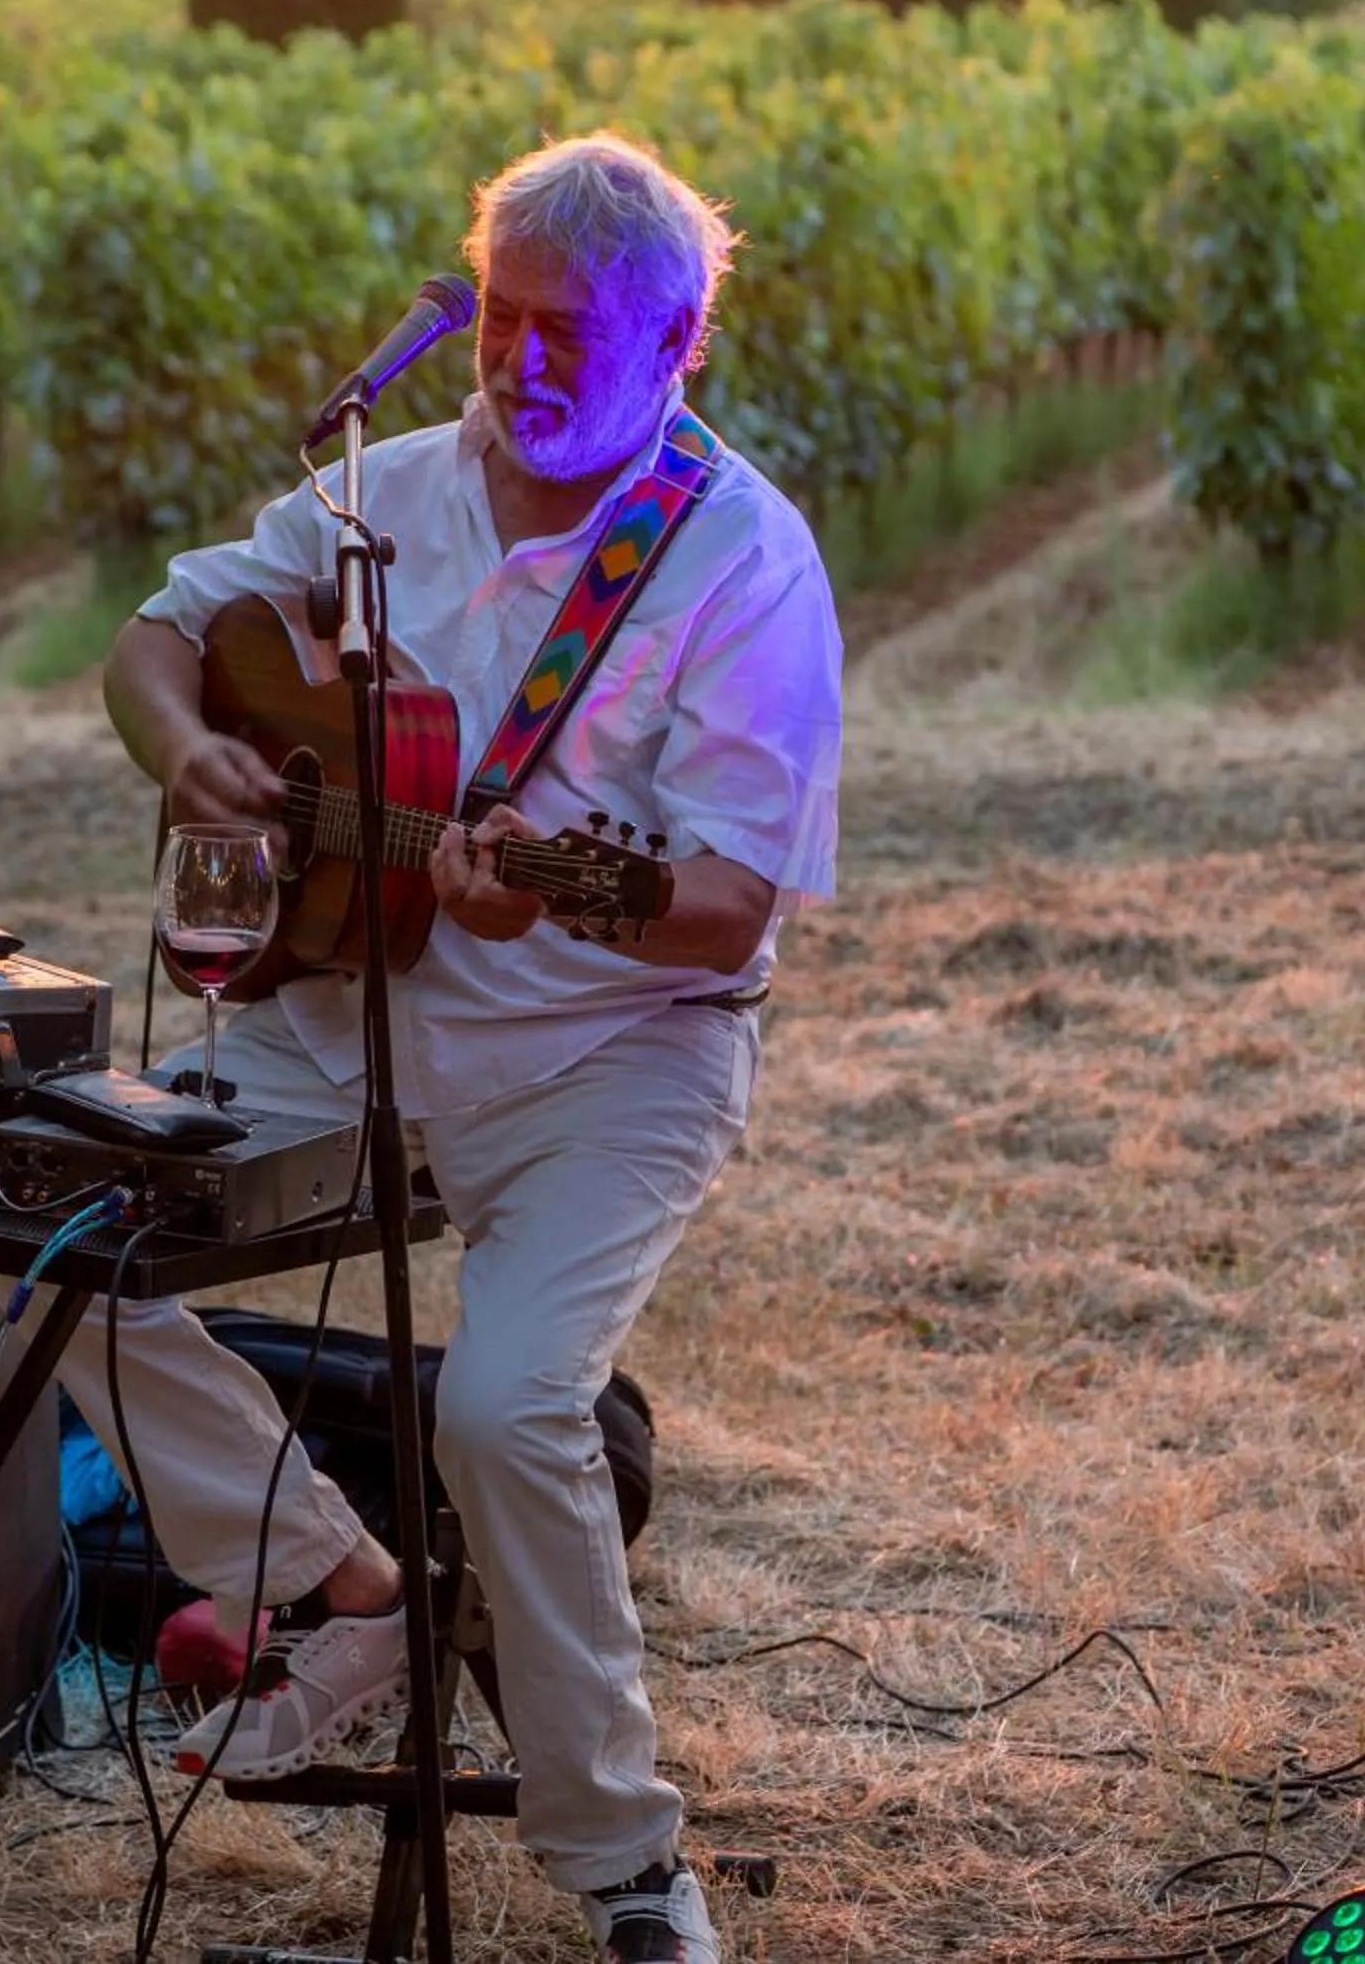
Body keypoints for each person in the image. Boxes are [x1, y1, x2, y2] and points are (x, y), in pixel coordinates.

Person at [61, 128, 843, 1964]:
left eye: (574, 332)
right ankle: (341, 1586)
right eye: (503, 315)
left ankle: (627, 1863)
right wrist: (192, 753)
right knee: (42, 1246)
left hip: (610, 1057)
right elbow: (153, 640)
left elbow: (729, 911)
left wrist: (558, 903)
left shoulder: (739, 562)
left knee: (505, 1409)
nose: (523, 360)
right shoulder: (381, 491)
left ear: (678, 347)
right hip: (342, 1020)